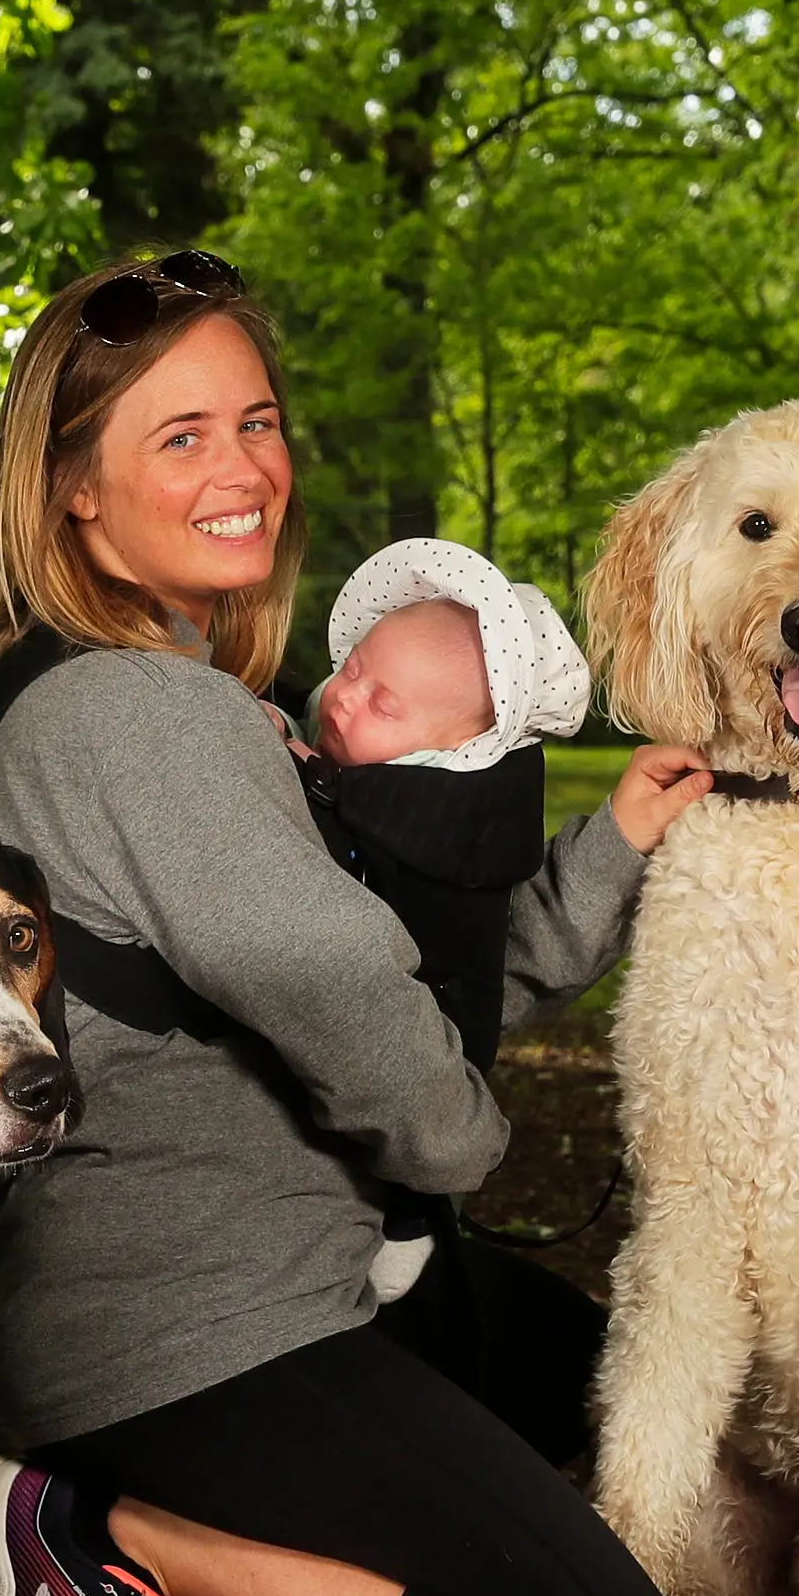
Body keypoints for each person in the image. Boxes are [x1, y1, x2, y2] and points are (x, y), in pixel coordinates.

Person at [0, 249, 717, 1596]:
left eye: (257, 421)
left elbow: (412, 970)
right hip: (195, 1324)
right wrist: (457, 1136)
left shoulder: (172, 695)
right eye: (180, 436)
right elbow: (339, 988)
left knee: (595, 1371)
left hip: (250, 1275)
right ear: (74, 486)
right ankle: (95, 1530)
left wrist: (613, 837)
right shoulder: (137, 714)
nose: (244, 471)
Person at [291, 538, 600, 1310]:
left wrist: (299, 764)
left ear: (455, 751)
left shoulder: (439, 818)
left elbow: (346, 812)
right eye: (355, 667)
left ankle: (410, 1223)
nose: (345, 698)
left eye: (382, 703)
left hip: (436, 1023)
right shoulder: (402, 756)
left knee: (408, 1116)